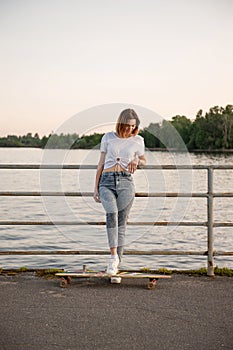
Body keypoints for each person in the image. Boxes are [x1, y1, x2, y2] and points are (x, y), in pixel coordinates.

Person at [93, 108, 146, 276]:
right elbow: (101, 163)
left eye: (133, 126)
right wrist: (95, 187)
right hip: (106, 182)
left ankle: (116, 267)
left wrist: (137, 159)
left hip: (126, 182)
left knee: (122, 224)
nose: (130, 129)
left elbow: (144, 159)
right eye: (128, 125)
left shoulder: (138, 140)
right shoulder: (108, 137)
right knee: (112, 214)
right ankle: (113, 256)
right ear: (121, 123)